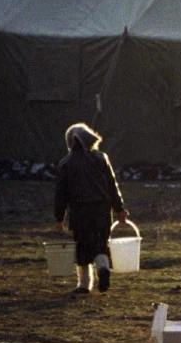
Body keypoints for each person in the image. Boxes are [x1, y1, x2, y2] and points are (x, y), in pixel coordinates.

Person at [53, 123, 128, 294]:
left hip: (80, 211)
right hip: (102, 209)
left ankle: (84, 284)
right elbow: (112, 186)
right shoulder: (101, 158)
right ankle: (103, 268)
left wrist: (59, 218)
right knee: (101, 244)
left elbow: (61, 193)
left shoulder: (66, 163)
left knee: (82, 246)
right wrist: (120, 210)